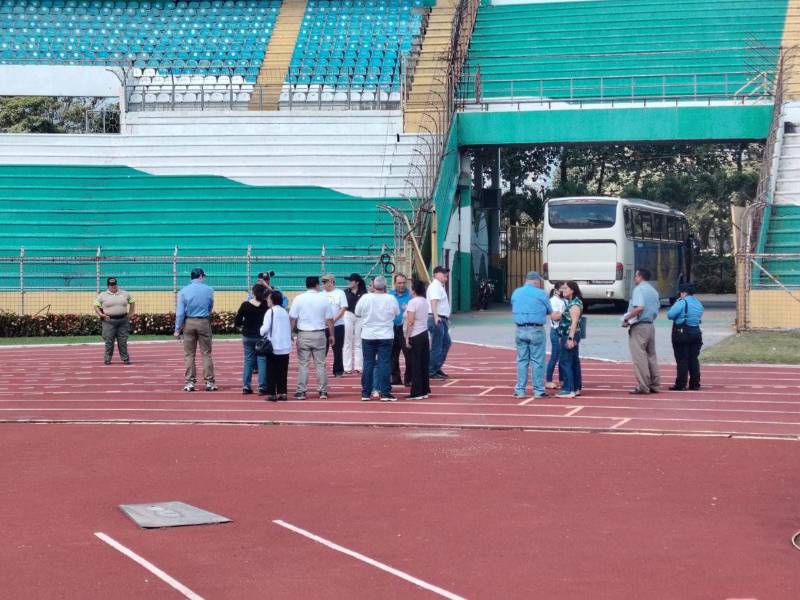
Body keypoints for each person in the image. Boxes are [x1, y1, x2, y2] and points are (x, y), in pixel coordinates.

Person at [510, 271, 558, 399]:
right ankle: (538, 390)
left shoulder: (516, 293)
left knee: (522, 360)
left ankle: (520, 390)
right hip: (536, 329)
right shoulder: (541, 294)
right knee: (537, 361)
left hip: (520, 329)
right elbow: (550, 312)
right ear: (536, 281)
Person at [289, 276, 335, 400]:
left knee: (303, 364)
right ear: (316, 285)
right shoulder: (324, 298)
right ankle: (323, 391)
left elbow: (293, 318)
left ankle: (301, 391)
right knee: (320, 364)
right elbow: (329, 320)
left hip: (303, 334)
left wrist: (290, 333)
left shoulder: (299, 298)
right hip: (319, 333)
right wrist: (332, 335)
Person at [355, 275, 400, 401]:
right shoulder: (391, 298)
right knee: (384, 363)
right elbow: (397, 313)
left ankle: (365, 392)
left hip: (368, 334)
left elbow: (357, 313)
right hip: (386, 335)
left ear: (373, 286)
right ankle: (385, 392)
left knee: (368, 363)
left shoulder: (365, 298)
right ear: (385, 286)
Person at [174, 268, 217, 392]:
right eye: (203, 276)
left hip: (189, 322)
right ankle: (209, 381)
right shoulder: (209, 290)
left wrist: (177, 329)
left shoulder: (183, 291)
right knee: (206, 353)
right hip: (203, 321)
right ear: (200, 277)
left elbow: (180, 313)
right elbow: (210, 306)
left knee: (189, 354)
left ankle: (189, 382)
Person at [622, 268, 661, 395]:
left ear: (639, 276)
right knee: (651, 356)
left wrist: (626, 318)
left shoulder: (638, 289)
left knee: (639, 357)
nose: (634, 278)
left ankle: (643, 385)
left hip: (639, 326)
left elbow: (639, 308)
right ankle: (655, 384)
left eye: (635, 275)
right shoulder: (653, 291)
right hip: (650, 325)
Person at [667, 282, 704, 391]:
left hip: (682, 333)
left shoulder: (682, 302)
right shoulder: (698, 303)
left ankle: (681, 384)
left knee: (682, 359)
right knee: (693, 359)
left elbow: (670, 315)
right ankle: (695, 383)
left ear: (683, 293)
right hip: (696, 332)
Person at [234, 283, 268, 395]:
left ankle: (246, 386)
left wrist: (242, 327)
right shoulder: (265, 305)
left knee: (248, 360)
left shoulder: (245, 305)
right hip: (261, 336)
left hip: (247, 336)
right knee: (262, 360)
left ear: (252, 293)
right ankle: (262, 386)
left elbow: (237, 321)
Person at [94, 276, 135, 365]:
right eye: (111, 285)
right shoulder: (102, 295)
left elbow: (132, 301)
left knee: (123, 341)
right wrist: (101, 314)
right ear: (108, 286)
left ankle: (125, 359)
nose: (113, 286)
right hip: (109, 321)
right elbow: (96, 305)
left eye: (114, 284)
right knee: (109, 341)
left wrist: (131, 313)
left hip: (123, 320)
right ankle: (107, 359)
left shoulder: (124, 293)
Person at [260, 290, 292, 401]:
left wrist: (260, 331)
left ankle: (272, 393)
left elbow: (265, 328)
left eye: (269, 298)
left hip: (273, 346)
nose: (267, 300)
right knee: (283, 372)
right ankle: (283, 393)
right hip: (285, 346)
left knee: (271, 371)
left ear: (272, 300)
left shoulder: (270, 312)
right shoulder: (285, 311)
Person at [404, 279, 431, 400]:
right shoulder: (424, 301)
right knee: (423, 363)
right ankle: (424, 390)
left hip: (415, 334)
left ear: (414, 290)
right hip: (424, 334)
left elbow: (410, 321)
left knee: (415, 364)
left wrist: (407, 337)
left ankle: (417, 392)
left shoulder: (412, 302)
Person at [556, 281, 584, 399]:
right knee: (573, 361)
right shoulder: (573, 302)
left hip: (569, 335)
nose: (563, 290)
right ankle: (576, 387)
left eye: (566, 288)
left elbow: (574, 322)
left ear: (572, 290)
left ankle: (568, 388)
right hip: (571, 334)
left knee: (565, 361)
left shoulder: (575, 304)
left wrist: (570, 338)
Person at [427, 265, 452, 379]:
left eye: (445, 273)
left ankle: (436, 367)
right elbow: (434, 302)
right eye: (443, 273)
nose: (445, 275)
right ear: (436, 274)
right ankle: (432, 370)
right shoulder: (435, 286)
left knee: (445, 343)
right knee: (438, 345)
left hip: (442, 318)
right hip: (437, 319)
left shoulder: (439, 286)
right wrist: (436, 316)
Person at [322, 273, 348, 377]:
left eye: (325, 281)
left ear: (332, 281)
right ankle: (322, 371)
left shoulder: (340, 293)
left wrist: (333, 320)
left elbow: (343, 308)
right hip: (323, 326)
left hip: (338, 325)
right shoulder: (321, 294)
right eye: (323, 282)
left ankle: (338, 371)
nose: (323, 284)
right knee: (322, 350)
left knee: (337, 350)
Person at [389, 272, 411, 386]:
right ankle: (395, 378)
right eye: (399, 283)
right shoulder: (390, 295)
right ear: (394, 283)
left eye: (403, 283)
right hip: (392, 328)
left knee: (408, 354)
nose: (402, 285)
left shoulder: (411, 295)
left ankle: (409, 379)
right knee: (393, 354)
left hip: (405, 329)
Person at [343, 273, 366, 374]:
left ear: (357, 282)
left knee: (358, 341)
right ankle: (347, 367)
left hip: (360, 317)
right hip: (348, 315)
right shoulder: (345, 292)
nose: (348, 282)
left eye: (351, 280)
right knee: (347, 341)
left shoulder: (364, 293)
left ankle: (359, 366)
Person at [545, 282, 566, 389]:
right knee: (555, 356)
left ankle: (562, 380)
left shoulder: (565, 300)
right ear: (557, 290)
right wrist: (566, 314)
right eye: (563, 288)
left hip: (564, 331)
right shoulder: (553, 301)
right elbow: (554, 317)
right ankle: (548, 380)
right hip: (556, 331)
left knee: (563, 357)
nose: (565, 290)